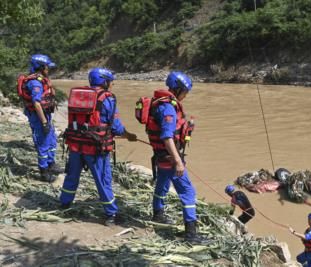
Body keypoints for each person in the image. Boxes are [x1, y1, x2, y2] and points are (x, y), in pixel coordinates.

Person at [60, 67, 137, 226]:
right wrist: (129, 136)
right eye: (110, 82)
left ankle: (64, 204)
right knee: (103, 181)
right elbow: (116, 127)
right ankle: (111, 214)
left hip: (75, 145)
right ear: (104, 81)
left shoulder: (78, 95)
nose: (112, 85)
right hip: (95, 149)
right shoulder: (107, 98)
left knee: (72, 176)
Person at [146, 71, 206, 244]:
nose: (186, 96)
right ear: (178, 89)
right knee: (188, 191)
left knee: (162, 185)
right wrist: (178, 161)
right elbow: (166, 136)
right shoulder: (168, 108)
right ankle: (191, 234)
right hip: (170, 159)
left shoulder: (160, 103)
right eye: (185, 92)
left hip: (161, 157)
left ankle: (157, 214)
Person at [19, 54, 60, 182]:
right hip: (38, 116)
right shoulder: (35, 83)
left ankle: (51, 163)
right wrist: (44, 123)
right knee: (43, 142)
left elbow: (50, 94)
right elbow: (36, 103)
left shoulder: (42, 79)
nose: (48, 69)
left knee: (52, 139)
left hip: (45, 114)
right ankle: (43, 171)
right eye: (47, 67)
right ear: (40, 67)